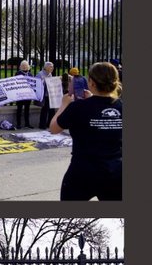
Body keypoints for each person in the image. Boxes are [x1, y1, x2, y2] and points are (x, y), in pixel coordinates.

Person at [50, 61, 122, 201]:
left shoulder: (78, 107)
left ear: (92, 83)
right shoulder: (121, 106)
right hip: (115, 171)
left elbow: (54, 128)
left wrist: (63, 105)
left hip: (82, 171)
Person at [14, 60, 35, 129]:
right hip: (20, 95)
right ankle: (18, 124)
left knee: (27, 110)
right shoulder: (18, 73)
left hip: (28, 95)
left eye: (26, 65)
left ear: (28, 66)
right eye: (23, 65)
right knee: (19, 110)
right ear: (20, 66)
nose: (24, 66)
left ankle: (27, 124)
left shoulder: (30, 74)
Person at [35, 61, 56, 128]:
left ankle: (49, 124)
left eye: (52, 67)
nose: (52, 68)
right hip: (44, 95)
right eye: (50, 67)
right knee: (45, 110)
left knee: (52, 110)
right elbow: (37, 84)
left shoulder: (50, 74)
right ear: (46, 67)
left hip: (50, 95)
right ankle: (42, 125)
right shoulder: (40, 74)